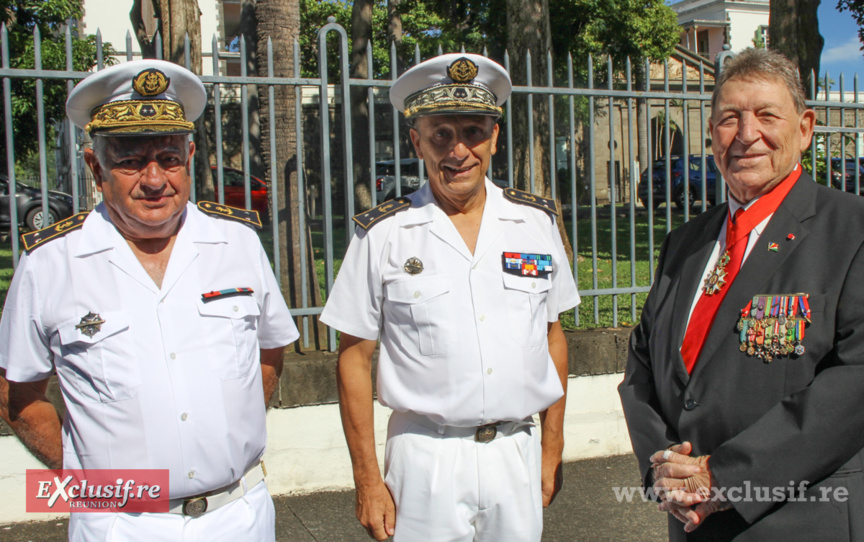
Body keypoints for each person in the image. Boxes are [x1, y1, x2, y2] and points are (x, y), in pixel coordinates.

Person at [0, 59, 299, 541]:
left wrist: (229, 431)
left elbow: (269, 350)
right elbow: (17, 393)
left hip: (238, 516)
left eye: (169, 156)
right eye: (131, 160)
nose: (156, 179)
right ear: (95, 166)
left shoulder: (236, 242)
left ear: (191, 154)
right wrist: (88, 475)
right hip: (120, 524)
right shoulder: (51, 263)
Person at [319, 53, 580, 542]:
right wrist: (367, 479)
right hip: (425, 460)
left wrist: (551, 447)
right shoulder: (383, 234)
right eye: (441, 134)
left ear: (494, 137)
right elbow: (354, 359)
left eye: (473, 131)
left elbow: (552, 337)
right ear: (416, 141)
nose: (458, 150)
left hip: (514, 451)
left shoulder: (536, 224)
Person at [619, 47, 864, 540]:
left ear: (805, 127)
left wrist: (726, 478)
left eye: (766, 115)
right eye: (729, 118)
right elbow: (641, 367)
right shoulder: (685, 242)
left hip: (802, 521)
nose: (747, 135)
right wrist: (663, 471)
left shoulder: (852, 229)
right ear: (712, 136)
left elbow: (855, 381)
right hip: (689, 522)